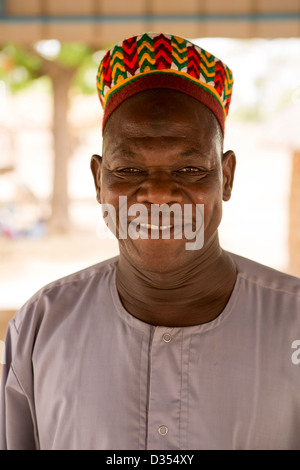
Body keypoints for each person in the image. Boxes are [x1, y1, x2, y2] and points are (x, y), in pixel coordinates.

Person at [1, 32, 300, 450]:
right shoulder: (42, 326)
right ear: (97, 180)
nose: (158, 194)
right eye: (128, 170)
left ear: (226, 176)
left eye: (190, 169)